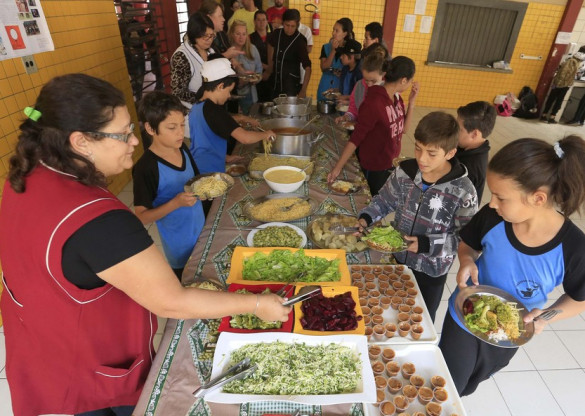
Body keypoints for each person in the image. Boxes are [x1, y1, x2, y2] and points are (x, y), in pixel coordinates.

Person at [0, 73, 290, 416]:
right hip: (89, 363)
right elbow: (171, 300)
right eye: (123, 134)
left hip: (42, 340)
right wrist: (256, 305)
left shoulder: (26, 176)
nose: (134, 141)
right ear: (80, 142)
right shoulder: (100, 220)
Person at [439, 136, 585, 397]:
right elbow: (468, 244)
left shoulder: (574, 247)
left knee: (470, 384)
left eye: (500, 197)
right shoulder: (493, 217)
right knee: (448, 386)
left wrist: (547, 315)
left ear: (538, 198)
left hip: (507, 334)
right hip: (464, 314)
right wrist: (467, 260)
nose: (492, 203)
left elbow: (579, 298)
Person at [357, 112, 478, 321]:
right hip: (397, 259)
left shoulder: (463, 191)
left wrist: (426, 244)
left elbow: (465, 240)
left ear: (450, 153)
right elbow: (384, 200)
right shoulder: (405, 172)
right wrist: (366, 217)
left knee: (421, 318)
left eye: (431, 153)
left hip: (431, 272)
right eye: (418, 148)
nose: (422, 158)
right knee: (389, 313)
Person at [133, 91, 204, 280]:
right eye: (172, 127)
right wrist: (175, 203)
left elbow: (197, 181)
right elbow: (141, 217)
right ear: (150, 128)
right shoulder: (146, 167)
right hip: (179, 244)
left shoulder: (182, 147)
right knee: (188, 283)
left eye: (182, 124)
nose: (180, 132)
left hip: (201, 230)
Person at [328, 55, 419, 196]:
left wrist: (411, 103)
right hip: (374, 166)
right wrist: (337, 168)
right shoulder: (373, 102)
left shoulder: (396, 98)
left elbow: (404, 130)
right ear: (403, 80)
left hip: (390, 162)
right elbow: (356, 138)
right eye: (410, 80)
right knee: (372, 199)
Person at [189, 58, 274, 175]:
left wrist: (225, 157)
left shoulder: (197, 106)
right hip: (209, 171)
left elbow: (204, 141)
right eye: (229, 91)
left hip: (197, 165)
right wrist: (266, 134)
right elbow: (245, 138)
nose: (229, 96)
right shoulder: (215, 110)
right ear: (220, 86)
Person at [170, 13, 216, 111]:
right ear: (194, 34)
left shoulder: (210, 51)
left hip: (209, 107)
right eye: (205, 36)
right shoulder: (181, 56)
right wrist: (204, 97)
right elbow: (178, 92)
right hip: (190, 110)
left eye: (211, 35)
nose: (209, 40)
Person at [335, 43, 388, 125]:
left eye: (373, 81)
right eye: (366, 80)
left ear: (383, 74)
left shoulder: (387, 90)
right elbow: (353, 109)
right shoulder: (359, 85)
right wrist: (346, 117)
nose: (369, 84)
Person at [264, 9, 312, 98]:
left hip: (291, 86)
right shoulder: (277, 34)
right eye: (287, 25)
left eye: (293, 26)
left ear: (297, 25)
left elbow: (308, 68)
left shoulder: (300, 41)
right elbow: (270, 44)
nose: (289, 29)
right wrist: (270, 65)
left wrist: (303, 90)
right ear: (283, 23)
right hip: (274, 83)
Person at [456, 101, 497, 204]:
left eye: (459, 129)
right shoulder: (467, 147)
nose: (454, 131)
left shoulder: (470, 168)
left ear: (474, 134)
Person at [541, 47, 585, 123]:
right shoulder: (580, 61)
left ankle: (544, 115)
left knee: (551, 98)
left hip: (556, 82)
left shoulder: (570, 57)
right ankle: (552, 117)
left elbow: (560, 66)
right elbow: (576, 72)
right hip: (565, 84)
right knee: (559, 100)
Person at [229, 20, 262, 114]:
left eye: (244, 34)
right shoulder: (228, 51)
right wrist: (240, 82)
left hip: (251, 96)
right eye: (238, 34)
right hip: (232, 97)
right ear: (232, 34)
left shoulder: (253, 49)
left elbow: (259, 71)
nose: (241, 37)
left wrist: (255, 79)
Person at [317, 17, 354, 100]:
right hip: (325, 88)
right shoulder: (326, 47)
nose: (333, 33)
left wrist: (342, 73)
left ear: (345, 34)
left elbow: (352, 71)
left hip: (340, 91)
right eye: (333, 30)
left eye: (337, 31)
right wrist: (333, 50)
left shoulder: (349, 51)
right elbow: (324, 68)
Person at [118, 3, 146, 101]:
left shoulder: (136, 23)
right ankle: (136, 97)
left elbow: (144, 36)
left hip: (139, 53)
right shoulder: (120, 25)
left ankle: (139, 97)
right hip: (128, 55)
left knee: (140, 76)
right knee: (133, 78)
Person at [250, 10, 271, 102]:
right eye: (259, 20)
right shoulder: (249, 38)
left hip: (271, 75)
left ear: (267, 21)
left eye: (264, 20)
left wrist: (269, 69)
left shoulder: (273, 37)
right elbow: (249, 57)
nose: (261, 22)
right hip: (256, 75)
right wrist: (264, 66)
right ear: (254, 22)